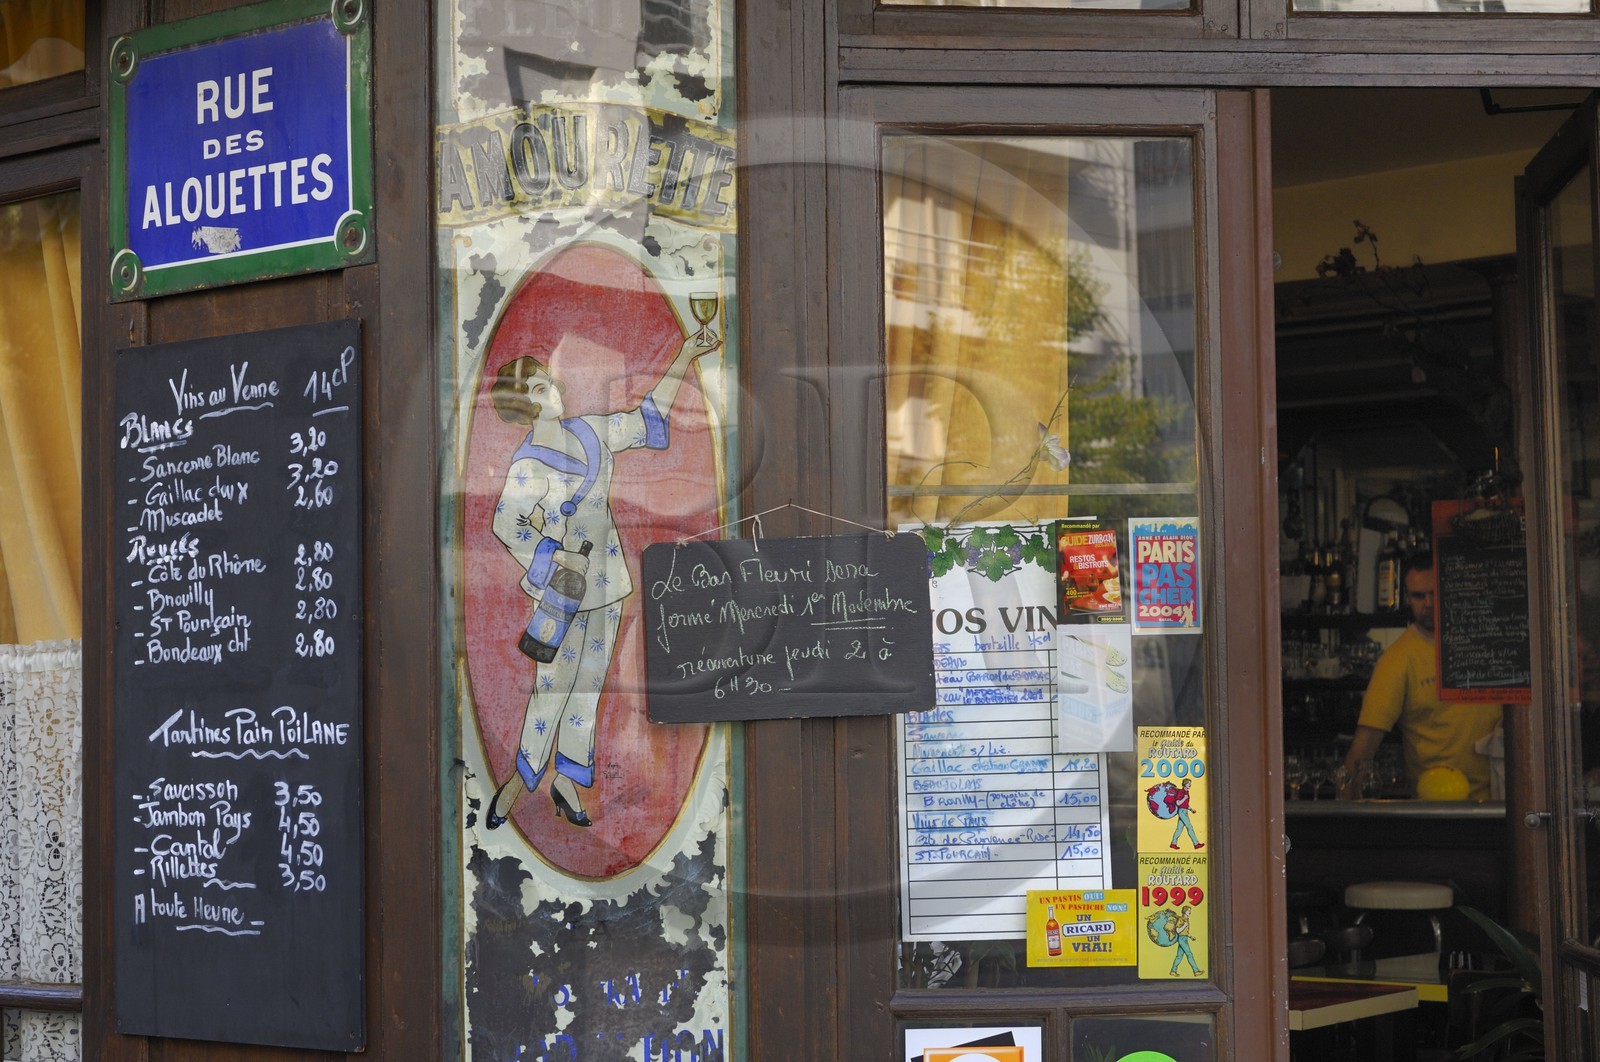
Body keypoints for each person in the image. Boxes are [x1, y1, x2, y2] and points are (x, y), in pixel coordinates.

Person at [485, 328, 719, 830]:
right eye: (542, 386)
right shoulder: (525, 467)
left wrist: (683, 354)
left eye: (550, 382)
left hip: (607, 585)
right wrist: (553, 555)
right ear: (525, 402)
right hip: (559, 596)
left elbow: (647, 418)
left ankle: (566, 780)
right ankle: (521, 778)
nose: (555, 391)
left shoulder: (591, 433)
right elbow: (507, 525)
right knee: (551, 686)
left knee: (589, 688)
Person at [1339, 553, 1503, 801]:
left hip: (1503, 801)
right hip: (1435, 807)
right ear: (1406, 598)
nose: (1428, 603)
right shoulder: (1398, 659)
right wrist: (1343, 816)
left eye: (1436, 593)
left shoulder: (1493, 642)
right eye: (1419, 595)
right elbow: (1363, 749)